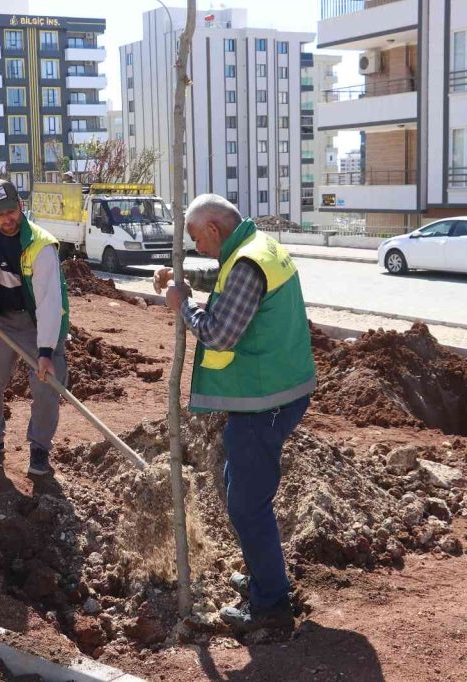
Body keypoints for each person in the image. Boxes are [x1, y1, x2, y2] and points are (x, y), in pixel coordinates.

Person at [156, 193, 316, 635]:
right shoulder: (257, 249)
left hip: (265, 400)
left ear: (213, 229)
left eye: (196, 238)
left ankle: (271, 607)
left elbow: (221, 333)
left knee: (247, 503)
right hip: (276, 390)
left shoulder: (246, 263)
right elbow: (232, 299)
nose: (196, 247)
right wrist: (188, 289)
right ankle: (265, 579)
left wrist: (182, 306)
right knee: (240, 491)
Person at [0, 179, 70, 476]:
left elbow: (48, 304)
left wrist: (46, 351)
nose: (8, 219)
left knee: (46, 383)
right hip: (4, 320)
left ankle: (40, 448)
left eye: (12, 210)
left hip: (40, 321)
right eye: (0, 213)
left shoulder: (41, 245)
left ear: (21, 205)